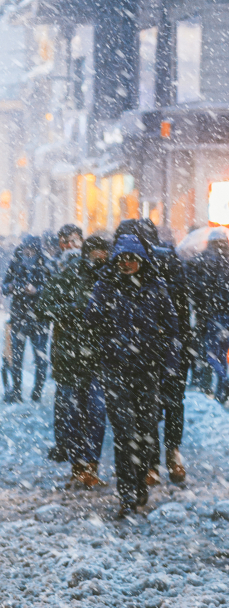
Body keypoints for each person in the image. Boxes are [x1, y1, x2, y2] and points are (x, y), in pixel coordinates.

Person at [84, 233, 181, 518]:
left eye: (131, 259)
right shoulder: (106, 286)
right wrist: (107, 345)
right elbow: (91, 322)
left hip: (147, 371)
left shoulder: (156, 287)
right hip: (116, 369)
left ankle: (140, 486)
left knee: (146, 430)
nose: (126, 264)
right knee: (125, 433)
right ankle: (127, 495)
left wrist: (168, 362)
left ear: (141, 260)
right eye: (122, 259)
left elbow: (172, 327)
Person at [114, 217, 191, 485]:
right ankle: (168, 456)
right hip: (164, 343)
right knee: (165, 403)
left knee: (154, 406)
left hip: (159, 344)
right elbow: (181, 304)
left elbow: (178, 303)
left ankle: (157, 461)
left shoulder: (152, 264)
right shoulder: (165, 259)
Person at [37, 235, 110, 488]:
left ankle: (91, 465)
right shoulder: (72, 275)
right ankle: (78, 465)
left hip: (100, 360)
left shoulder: (111, 278)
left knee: (97, 414)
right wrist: (76, 309)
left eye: (103, 254)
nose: (99, 260)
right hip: (69, 358)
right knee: (72, 415)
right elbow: (43, 307)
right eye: (95, 254)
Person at [42, 223, 85, 461]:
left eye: (73, 240)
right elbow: (44, 306)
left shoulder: (89, 267)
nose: (69, 246)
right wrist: (68, 311)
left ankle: (79, 445)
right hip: (63, 344)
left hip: (86, 345)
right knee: (64, 396)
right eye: (65, 241)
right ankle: (63, 442)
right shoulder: (54, 268)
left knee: (82, 398)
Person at [1, 234, 50, 402]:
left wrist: (37, 291)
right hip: (18, 316)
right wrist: (12, 287)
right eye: (26, 249)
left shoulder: (45, 264)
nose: (27, 252)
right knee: (16, 357)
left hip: (39, 318)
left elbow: (52, 291)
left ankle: (36, 393)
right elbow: (4, 286)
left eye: (30, 249)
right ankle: (16, 391)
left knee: (40, 359)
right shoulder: (16, 262)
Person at [187, 227, 229, 403]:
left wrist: (199, 307)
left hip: (211, 315)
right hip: (226, 313)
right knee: (223, 352)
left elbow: (194, 289)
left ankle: (223, 382)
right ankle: (222, 389)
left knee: (212, 354)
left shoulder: (200, 261)